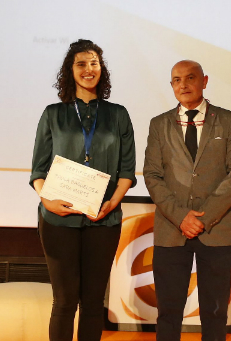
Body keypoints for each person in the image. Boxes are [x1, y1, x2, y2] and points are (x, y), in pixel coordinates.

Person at [29, 39, 136, 341]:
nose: (88, 69)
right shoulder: (53, 113)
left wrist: (112, 203)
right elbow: (38, 171)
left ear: (102, 69)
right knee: (64, 302)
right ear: (70, 70)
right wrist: (47, 200)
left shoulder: (118, 114)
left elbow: (127, 170)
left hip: (104, 219)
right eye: (81, 64)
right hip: (57, 220)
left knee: (92, 302)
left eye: (94, 63)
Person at [143, 60, 231, 341]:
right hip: (171, 229)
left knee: (215, 312)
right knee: (168, 312)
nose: (183, 85)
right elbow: (152, 175)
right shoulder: (159, 124)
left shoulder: (228, 120)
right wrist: (181, 217)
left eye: (190, 78)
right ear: (171, 85)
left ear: (204, 81)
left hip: (217, 228)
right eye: (176, 80)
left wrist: (204, 217)